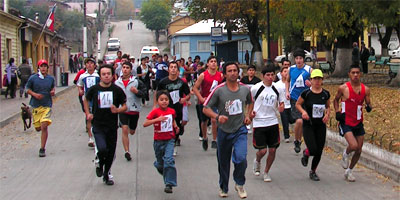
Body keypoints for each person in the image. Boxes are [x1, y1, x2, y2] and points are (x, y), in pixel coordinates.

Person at [202, 62, 253, 198]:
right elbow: (205, 108)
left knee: (241, 158)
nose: (232, 73)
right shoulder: (219, 90)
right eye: (229, 71)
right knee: (223, 162)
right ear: (224, 74)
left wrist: (248, 115)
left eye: (235, 70)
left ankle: (239, 183)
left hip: (239, 129)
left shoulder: (245, 89)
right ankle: (223, 187)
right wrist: (217, 117)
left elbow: (250, 102)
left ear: (238, 73)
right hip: (224, 131)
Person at [84, 64, 127, 185]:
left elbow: (125, 106)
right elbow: (85, 99)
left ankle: (106, 175)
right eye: (104, 74)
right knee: (102, 149)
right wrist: (88, 113)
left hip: (112, 125)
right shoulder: (94, 89)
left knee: (111, 152)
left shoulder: (117, 90)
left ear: (113, 75)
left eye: (108, 74)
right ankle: (100, 164)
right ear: (100, 76)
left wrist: (117, 110)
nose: (106, 76)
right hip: (98, 124)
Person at [333, 65, 372, 182]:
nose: (355, 75)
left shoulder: (366, 89)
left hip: (358, 122)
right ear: (349, 74)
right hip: (346, 121)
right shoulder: (343, 88)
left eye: (357, 73)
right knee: (353, 146)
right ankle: (345, 153)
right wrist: (337, 111)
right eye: (353, 73)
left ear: (360, 74)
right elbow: (336, 100)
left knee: (359, 150)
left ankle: (349, 171)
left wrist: (369, 107)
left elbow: (368, 104)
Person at [295, 69, 331, 181]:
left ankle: (313, 171)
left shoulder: (325, 94)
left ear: (322, 80)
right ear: (310, 80)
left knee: (319, 150)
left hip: (320, 125)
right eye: (314, 78)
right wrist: (303, 112)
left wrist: (327, 115)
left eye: (319, 79)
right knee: (313, 148)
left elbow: (328, 106)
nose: (317, 81)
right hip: (308, 124)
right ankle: (306, 153)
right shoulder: (306, 93)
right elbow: (298, 104)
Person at [251, 66, 284, 183]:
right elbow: (249, 102)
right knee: (262, 151)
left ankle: (266, 172)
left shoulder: (277, 89)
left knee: (273, 150)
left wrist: (281, 108)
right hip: (259, 122)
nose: (270, 77)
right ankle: (258, 160)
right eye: (268, 75)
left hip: (272, 122)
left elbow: (281, 102)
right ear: (262, 76)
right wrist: (250, 112)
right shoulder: (256, 88)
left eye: (272, 75)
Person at [144, 90, 179, 193]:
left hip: (169, 140)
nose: (164, 102)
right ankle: (159, 165)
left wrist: (175, 126)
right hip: (158, 141)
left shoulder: (172, 111)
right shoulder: (155, 112)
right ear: (157, 101)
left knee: (169, 160)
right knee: (161, 163)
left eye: (166, 100)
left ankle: (169, 183)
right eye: (161, 100)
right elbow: (145, 123)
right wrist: (157, 120)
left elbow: (172, 120)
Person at [154, 62, 191, 155]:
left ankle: (174, 142)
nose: (173, 69)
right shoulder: (163, 82)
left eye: (175, 67)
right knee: (168, 127)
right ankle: (170, 145)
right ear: (168, 69)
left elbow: (189, 94)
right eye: (171, 67)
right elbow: (157, 93)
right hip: (166, 109)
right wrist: (155, 105)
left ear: (178, 70)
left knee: (177, 127)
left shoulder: (182, 82)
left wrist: (185, 99)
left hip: (178, 108)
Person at [115, 61, 146, 161]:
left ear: (130, 70)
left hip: (134, 109)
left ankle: (130, 128)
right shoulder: (117, 83)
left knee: (131, 131)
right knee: (124, 129)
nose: (125, 69)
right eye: (123, 67)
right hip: (122, 110)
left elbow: (144, 93)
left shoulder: (136, 82)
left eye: (127, 68)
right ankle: (127, 151)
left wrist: (137, 92)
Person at [193, 56, 223, 150]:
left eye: (215, 61)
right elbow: (195, 88)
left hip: (215, 101)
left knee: (214, 120)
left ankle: (215, 140)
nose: (213, 63)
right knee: (204, 121)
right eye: (211, 61)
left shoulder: (220, 75)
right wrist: (201, 98)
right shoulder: (203, 75)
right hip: (205, 100)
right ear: (208, 64)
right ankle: (205, 137)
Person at [26, 59, 55, 157]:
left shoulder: (51, 79)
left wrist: (52, 92)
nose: (43, 68)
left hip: (47, 105)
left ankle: (42, 148)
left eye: (45, 66)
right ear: (38, 67)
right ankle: (37, 125)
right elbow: (27, 89)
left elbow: (52, 88)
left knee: (44, 125)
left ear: (47, 68)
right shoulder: (33, 78)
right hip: (36, 106)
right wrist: (35, 94)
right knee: (38, 128)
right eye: (41, 66)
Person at [285, 49, 312, 154]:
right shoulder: (291, 69)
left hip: (307, 98)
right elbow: (287, 81)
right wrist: (287, 91)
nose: (298, 60)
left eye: (300, 58)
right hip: (295, 98)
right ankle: (297, 140)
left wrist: (311, 84)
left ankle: (304, 141)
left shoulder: (309, 69)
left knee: (306, 122)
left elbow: (318, 82)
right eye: (296, 58)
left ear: (303, 59)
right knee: (299, 121)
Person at [77, 57, 100, 148]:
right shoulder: (83, 76)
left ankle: (98, 135)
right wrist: (80, 90)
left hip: (97, 99)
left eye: (91, 63)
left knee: (97, 119)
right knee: (89, 118)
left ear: (94, 65)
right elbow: (79, 85)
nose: (89, 65)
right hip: (88, 99)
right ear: (85, 65)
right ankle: (90, 138)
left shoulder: (98, 75)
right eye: (87, 63)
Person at [240, 65, 261, 134]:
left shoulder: (257, 80)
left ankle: (249, 124)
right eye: (250, 70)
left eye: (252, 70)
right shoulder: (244, 79)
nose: (251, 72)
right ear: (247, 72)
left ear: (255, 72)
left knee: (251, 111)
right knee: (243, 110)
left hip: (253, 98)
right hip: (244, 97)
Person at [275, 65, 293, 142]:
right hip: (283, 105)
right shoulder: (277, 84)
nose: (286, 73)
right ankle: (286, 136)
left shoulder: (292, 83)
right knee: (285, 121)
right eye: (284, 71)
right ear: (281, 73)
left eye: (287, 72)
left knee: (292, 120)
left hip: (291, 105)